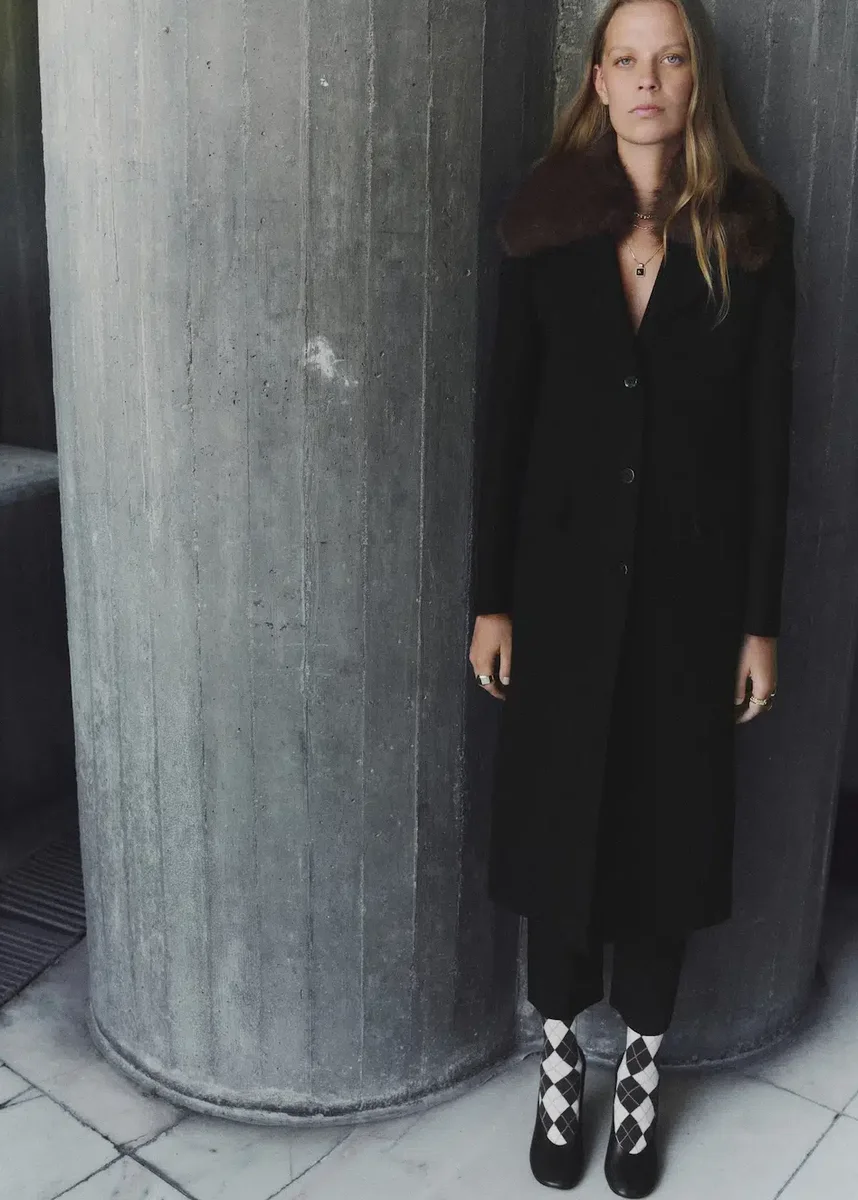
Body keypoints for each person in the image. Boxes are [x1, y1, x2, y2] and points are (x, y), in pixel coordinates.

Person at [468, 0, 797, 1194]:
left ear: (694, 81)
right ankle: (562, 1069)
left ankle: (644, 1075)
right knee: (557, 830)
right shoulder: (544, 221)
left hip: (689, 602)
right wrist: (491, 599)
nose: (648, 78)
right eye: (627, 59)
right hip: (556, 593)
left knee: (664, 837)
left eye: (670, 58)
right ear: (598, 81)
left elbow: (769, 440)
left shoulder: (751, 232)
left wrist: (758, 620)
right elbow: (507, 420)